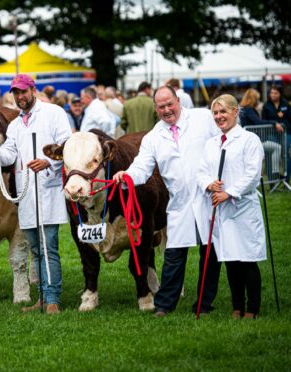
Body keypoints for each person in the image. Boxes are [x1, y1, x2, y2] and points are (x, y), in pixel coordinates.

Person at [113, 85, 221, 317]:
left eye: (170, 104)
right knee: (173, 254)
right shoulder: (154, 136)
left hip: (208, 196)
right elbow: (142, 166)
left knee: (210, 253)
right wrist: (126, 176)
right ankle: (164, 305)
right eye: (161, 106)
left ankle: (204, 303)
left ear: (178, 101)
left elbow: (226, 141)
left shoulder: (202, 118)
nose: (166, 110)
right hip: (180, 202)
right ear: (156, 108)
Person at [0, 74, 71, 314]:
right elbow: (8, 156)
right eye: (16, 93)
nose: (20, 97)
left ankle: (52, 299)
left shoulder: (54, 113)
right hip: (26, 194)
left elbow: (67, 147)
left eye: (23, 92)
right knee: (36, 250)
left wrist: (48, 162)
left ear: (33, 90)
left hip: (48, 189)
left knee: (48, 247)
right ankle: (42, 297)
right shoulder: (16, 125)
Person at [197, 94, 266, 319]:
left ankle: (252, 309)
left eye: (223, 112)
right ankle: (237, 306)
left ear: (236, 112)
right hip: (221, 211)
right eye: (215, 113)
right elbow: (201, 172)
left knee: (247, 260)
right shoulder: (211, 143)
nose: (219, 117)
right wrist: (209, 184)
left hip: (243, 208)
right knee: (230, 261)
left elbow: (252, 174)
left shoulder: (249, 140)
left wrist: (229, 192)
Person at [239, 88, 284, 179]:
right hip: (253, 141)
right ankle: (274, 172)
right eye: (257, 99)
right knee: (277, 147)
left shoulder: (244, 109)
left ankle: (269, 176)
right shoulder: (249, 109)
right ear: (253, 99)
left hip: (251, 140)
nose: (258, 101)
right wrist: (274, 123)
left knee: (266, 154)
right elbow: (258, 122)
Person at [262, 85, 291, 182]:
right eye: (271, 93)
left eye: (275, 93)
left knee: (286, 155)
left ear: (280, 94)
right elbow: (263, 121)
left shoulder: (285, 104)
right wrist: (275, 123)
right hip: (271, 134)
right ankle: (272, 181)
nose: (273, 95)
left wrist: (282, 121)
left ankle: (286, 179)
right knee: (271, 155)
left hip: (285, 133)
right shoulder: (266, 105)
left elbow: (289, 119)